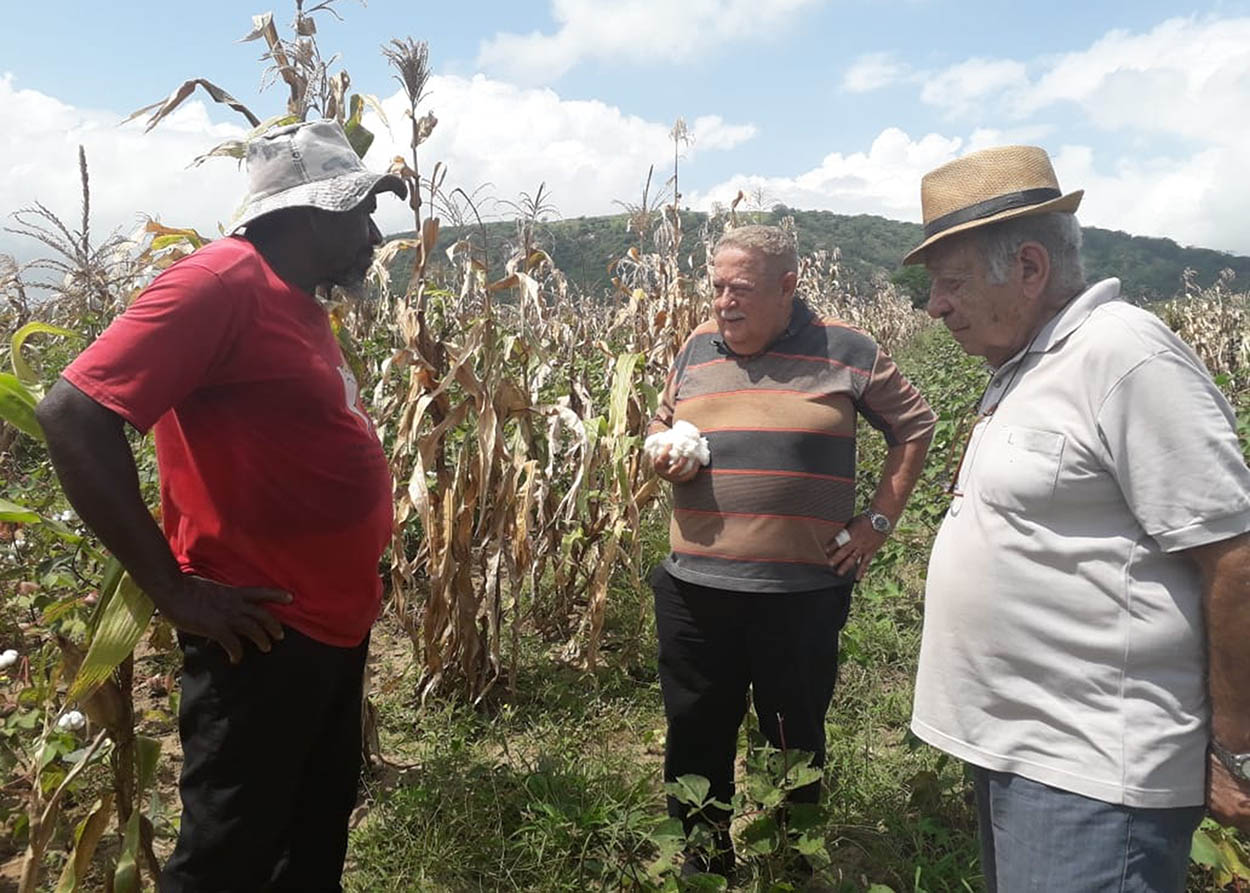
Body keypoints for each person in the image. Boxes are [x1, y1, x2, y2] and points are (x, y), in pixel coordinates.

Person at [36, 120, 406, 892]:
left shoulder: (294, 300)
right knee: (227, 862)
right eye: (359, 211)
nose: (373, 231)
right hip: (262, 637)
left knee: (307, 845)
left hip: (329, 626)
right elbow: (73, 413)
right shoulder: (217, 284)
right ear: (305, 214)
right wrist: (173, 590)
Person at [905, 145, 1250, 892]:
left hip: (1095, 775)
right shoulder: (1028, 363)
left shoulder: (1123, 356)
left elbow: (1232, 556)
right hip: (1024, 755)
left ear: (1028, 268)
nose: (935, 306)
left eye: (951, 282)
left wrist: (1236, 750)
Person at [647, 224, 935, 874]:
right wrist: (664, 448)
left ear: (787, 287)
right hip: (694, 588)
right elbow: (664, 419)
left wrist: (878, 523)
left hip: (798, 595)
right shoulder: (696, 346)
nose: (724, 301)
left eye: (741, 289)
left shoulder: (847, 350)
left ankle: (788, 860)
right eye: (717, 286)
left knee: (792, 736)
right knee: (695, 729)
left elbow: (914, 425)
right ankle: (702, 858)